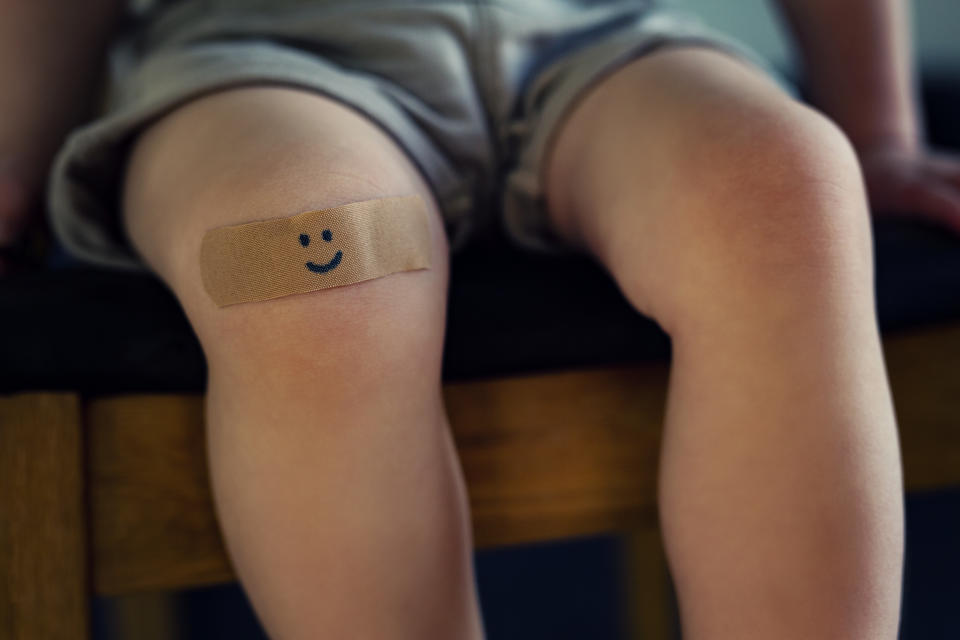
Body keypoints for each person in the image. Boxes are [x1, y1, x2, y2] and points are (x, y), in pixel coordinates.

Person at [3, 0, 960, 637]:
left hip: (604, 37)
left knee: (782, 190)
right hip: (263, 55)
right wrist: (11, 152)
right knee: (309, 259)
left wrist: (876, 128)